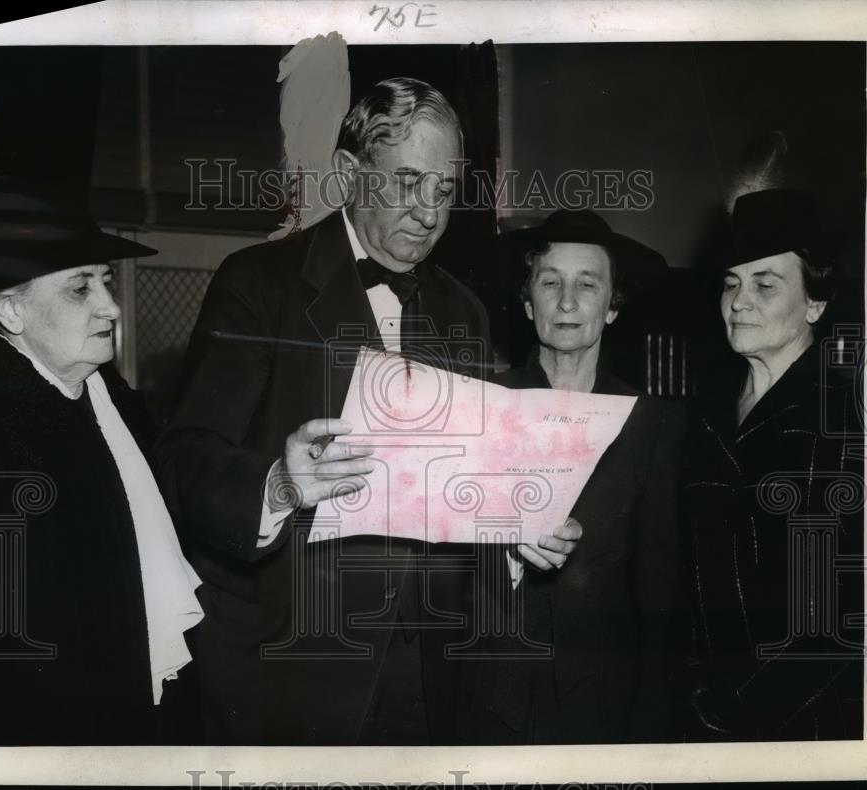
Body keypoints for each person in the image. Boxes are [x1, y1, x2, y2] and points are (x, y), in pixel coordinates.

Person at [157, 77, 575, 745]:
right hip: (294, 662)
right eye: (406, 183)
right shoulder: (259, 284)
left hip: (429, 668)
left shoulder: (462, 310)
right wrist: (280, 484)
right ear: (351, 173)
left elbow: (465, 481)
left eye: (442, 191)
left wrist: (516, 522)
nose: (428, 212)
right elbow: (183, 463)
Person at [0, 177, 203, 745]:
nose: (112, 307)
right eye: (79, 288)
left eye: (106, 282)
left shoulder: (109, 395)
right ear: (11, 311)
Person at [461, 209, 686, 744]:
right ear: (525, 301)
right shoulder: (479, 408)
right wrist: (507, 548)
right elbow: (443, 567)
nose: (566, 302)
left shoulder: (652, 423)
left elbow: (660, 590)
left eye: (587, 284)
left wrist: (650, 729)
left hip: (603, 702)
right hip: (489, 693)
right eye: (550, 282)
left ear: (612, 307)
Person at [682, 187, 864, 741]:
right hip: (697, 712)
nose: (739, 301)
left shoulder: (841, 421)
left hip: (795, 724)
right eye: (732, 283)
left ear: (816, 302)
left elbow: (839, 619)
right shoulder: (707, 413)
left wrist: (739, 714)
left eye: (765, 284)